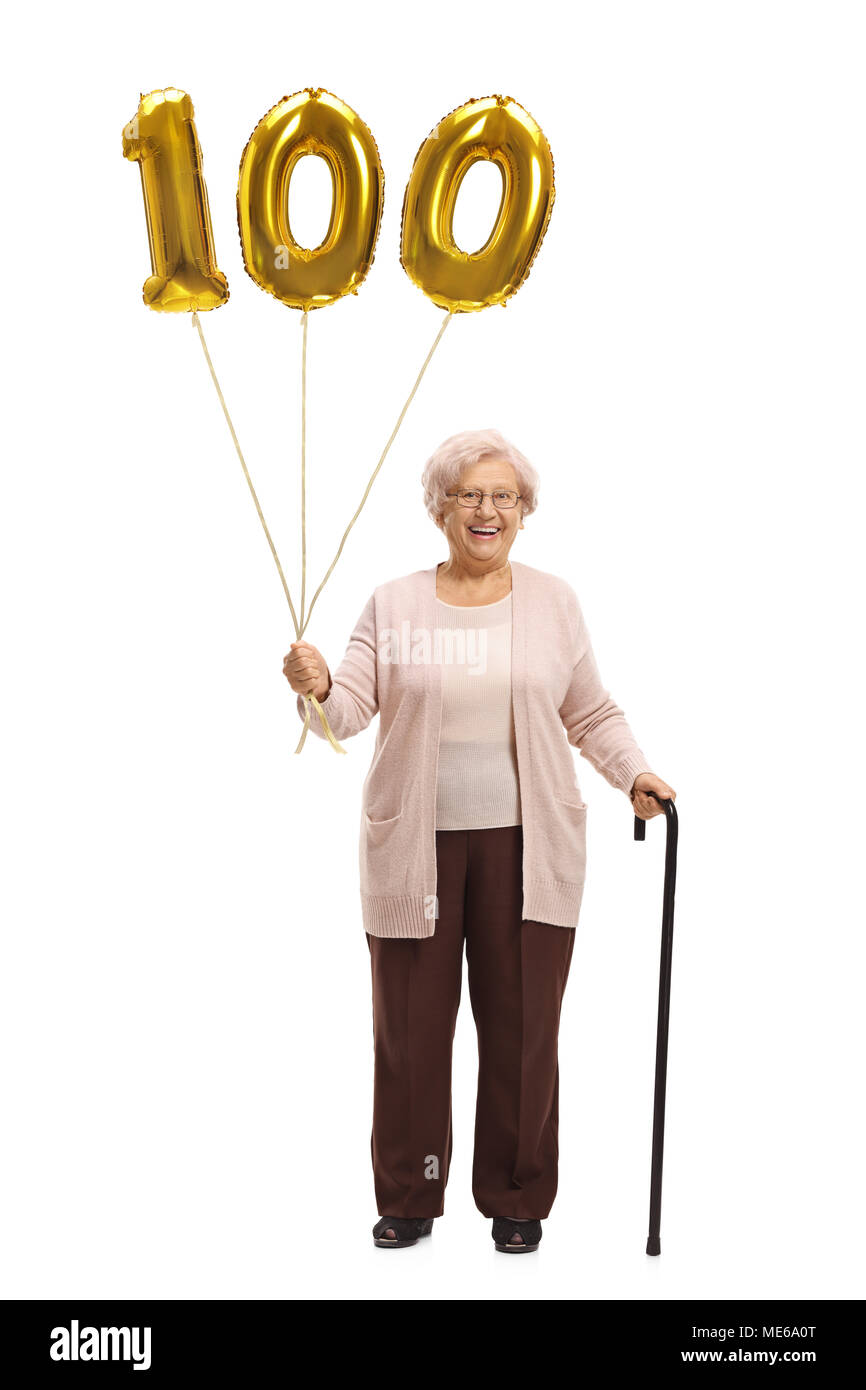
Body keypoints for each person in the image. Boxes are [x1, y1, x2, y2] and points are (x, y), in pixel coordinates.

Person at [283, 428, 675, 1253]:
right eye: (468, 494)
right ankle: (412, 1193)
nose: (486, 509)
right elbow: (348, 708)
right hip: (413, 852)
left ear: (525, 512)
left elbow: (590, 711)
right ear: (441, 509)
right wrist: (317, 687)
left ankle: (518, 1196)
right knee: (412, 1032)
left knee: (524, 1027)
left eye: (503, 496)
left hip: (528, 848)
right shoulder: (394, 604)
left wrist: (633, 771)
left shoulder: (553, 602)